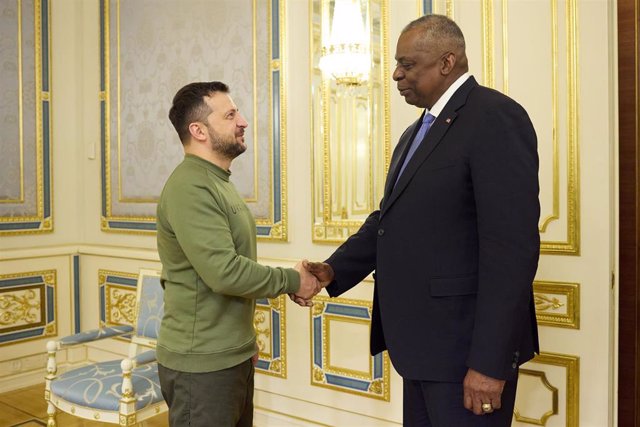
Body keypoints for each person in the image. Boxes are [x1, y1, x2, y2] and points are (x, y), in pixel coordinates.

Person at [302, 14, 540, 426]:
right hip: (421, 351)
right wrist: (332, 270)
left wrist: (489, 363)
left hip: (466, 356)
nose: (396, 74)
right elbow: (388, 220)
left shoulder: (495, 117)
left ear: (447, 63)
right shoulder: (415, 133)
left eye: (408, 64)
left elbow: (512, 251)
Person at [156, 81, 321, 427]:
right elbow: (225, 273)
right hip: (200, 365)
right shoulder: (190, 187)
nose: (243, 121)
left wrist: (244, 344)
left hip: (229, 358)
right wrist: (294, 279)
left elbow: (229, 267)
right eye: (230, 114)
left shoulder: (218, 182)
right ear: (198, 130)